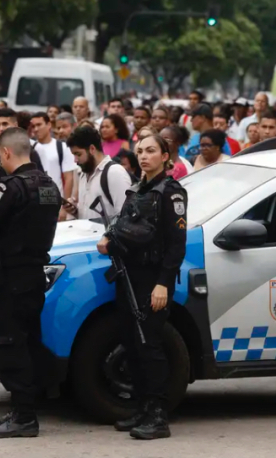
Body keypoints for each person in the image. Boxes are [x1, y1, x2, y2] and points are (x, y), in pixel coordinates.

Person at [0, 128, 61, 438]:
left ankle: (24, 416)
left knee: (10, 345)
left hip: (8, 276)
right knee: (28, 342)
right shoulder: (49, 185)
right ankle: (26, 408)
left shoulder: (8, 188)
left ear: (6, 153)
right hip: (33, 275)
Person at [97, 135, 187, 440]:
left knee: (150, 346)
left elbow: (176, 246)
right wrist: (110, 238)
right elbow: (123, 223)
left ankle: (158, 416)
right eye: (140, 151)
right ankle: (143, 408)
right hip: (129, 276)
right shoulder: (138, 189)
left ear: (165, 155)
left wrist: (163, 283)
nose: (144, 156)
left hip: (152, 279)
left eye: (151, 151)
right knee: (132, 344)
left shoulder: (170, 192)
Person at [64, 126, 133, 220]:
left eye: (78, 154)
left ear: (92, 149)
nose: (75, 160)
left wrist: (109, 234)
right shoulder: (84, 174)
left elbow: (126, 217)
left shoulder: (115, 173)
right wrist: (75, 211)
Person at [29, 113, 78, 215]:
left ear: (49, 125)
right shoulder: (30, 148)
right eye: (33, 126)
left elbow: (68, 178)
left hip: (56, 201)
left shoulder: (61, 147)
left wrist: (64, 207)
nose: (36, 129)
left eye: (39, 125)